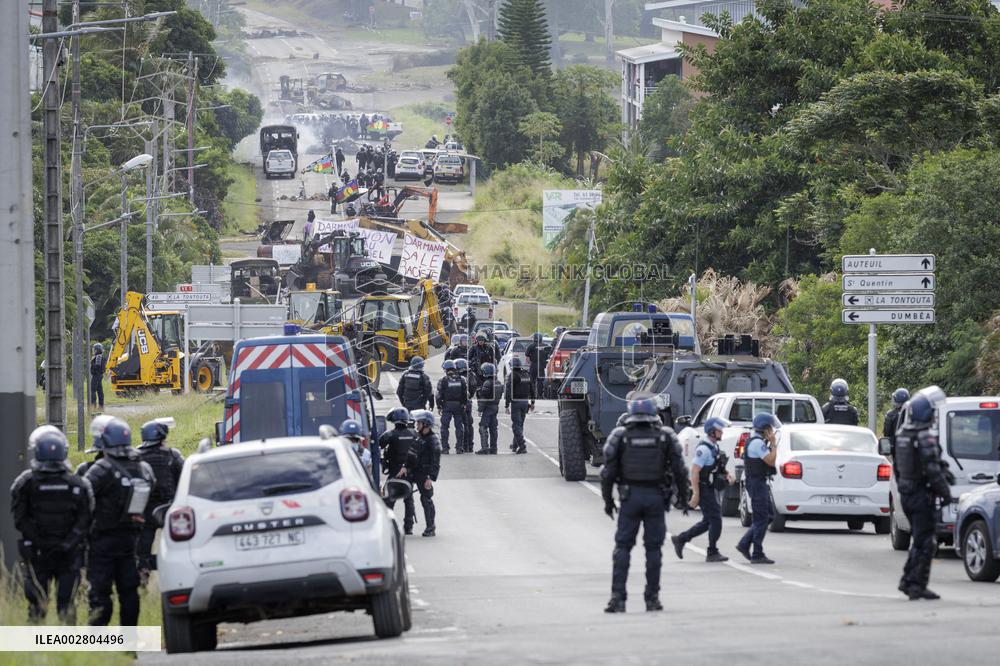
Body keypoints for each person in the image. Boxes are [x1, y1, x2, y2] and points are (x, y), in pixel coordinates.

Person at [600, 399, 689, 613]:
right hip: (656, 498)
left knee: (622, 548)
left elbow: (607, 473)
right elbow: (680, 470)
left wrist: (608, 501)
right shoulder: (665, 436)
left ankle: (617, 599)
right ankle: (652, 599)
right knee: (653, 549)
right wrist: (683, 498)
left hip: (630, 498)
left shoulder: (620, 436)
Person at [10, 426, 93, 623]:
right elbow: (85, 520)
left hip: (38, 553)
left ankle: (36, 642)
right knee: (67, 605)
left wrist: (40, 542)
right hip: (68, 554)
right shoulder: (78, 483)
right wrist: (67, 544)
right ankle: (67, 642)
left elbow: (20, 519)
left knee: (36, 606)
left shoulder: (25, 482)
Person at [84, 418, 156, 626]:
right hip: (131, 540)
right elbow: (151, 490)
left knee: (100, 592)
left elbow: (84, 494)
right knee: (129, 591)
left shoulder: (101, 468)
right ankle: (129, 640)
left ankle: (98, 640)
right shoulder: (143, 468)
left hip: (102, 542)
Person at [893, 386, 952, 600]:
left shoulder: (902, 435)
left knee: (919, 541)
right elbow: (933, 470)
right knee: (926, 543)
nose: (935, 416)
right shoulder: (924, 436)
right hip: (921, 494)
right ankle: (916, 585)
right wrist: (945, 493)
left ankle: (908, 581)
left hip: (907, 493)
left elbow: (897, 468)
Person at [671, 417, 734, 562]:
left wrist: (727, 474)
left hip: (710, 488)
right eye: (719, 430)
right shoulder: (703, 449)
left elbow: (717, 466)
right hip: (704, 488)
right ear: (712, 432)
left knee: (708, 521)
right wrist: (696, 494)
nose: (721, 432)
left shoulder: (714, 446)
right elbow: (695, 471)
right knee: (715, 520)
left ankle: (681, 539)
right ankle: (712, 552)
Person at [135, 420, 184, 583]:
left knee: (142, 551)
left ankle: (143, 577)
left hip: (144, 511)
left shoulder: (136, 458)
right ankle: (177, 577)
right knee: (176, 547)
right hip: (169, 509)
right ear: (162, 437)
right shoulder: (173, 455)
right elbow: (184, 479)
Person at [735, 413, 780, 565]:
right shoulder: (757, 443)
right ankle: (757, 553)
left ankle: (744, 543)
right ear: (765, 429)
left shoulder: (756, 441)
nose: (772, 431)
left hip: (759, 482)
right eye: (770, 428)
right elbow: (771, 461)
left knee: (768, 515)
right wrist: (773, 444)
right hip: (756, 483)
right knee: (761, 518)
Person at [379, 408, 418, 534]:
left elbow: (378, 445)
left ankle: (388, 525)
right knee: (409, 499)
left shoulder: (390, 434)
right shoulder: (414, 433)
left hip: (395, 470)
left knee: (389, 498)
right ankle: (408, 526)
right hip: (409, 471)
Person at [404, 410, 441, 537]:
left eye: (419, 422)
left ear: (426, 424)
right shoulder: (418, 436)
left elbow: (435, 461)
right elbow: (411, 454)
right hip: (414, 471)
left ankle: (431, 527)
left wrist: (430, 477)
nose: (416, 425)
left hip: (424, 474)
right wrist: (405, 467)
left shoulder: (433, 440)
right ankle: (408, 526)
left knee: (426, 499)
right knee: (407, 495)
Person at [436, 360, 467, 455]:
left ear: (445, 369)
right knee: (459, 427)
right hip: (458, 406)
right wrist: (464, 404)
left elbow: (438, 395)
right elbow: (465, 394)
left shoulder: (443, 380)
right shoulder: (461, 379)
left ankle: (445, 448)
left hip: (447, 406)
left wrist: (439, 406)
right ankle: (459, 448)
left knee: (444, 427)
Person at [504, 356, 534, 454]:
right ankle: (515, 444)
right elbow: (532, 389)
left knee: (516, 426)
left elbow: (508, 391)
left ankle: (522, 446)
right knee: (520, 425)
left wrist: (506, 405)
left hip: (516, 403)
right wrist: (532, 403)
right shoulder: (526, 374)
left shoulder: (512, 375)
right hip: (525, 402)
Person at [475, 362, 503, 455]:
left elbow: (484, 397)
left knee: (483, 427)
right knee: (493, 428)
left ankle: (485, 448)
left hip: (488, 407)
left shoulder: (487, 383)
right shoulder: (498, 382)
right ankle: (494, 448)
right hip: (495, 407)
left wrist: (480, 409)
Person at [455, 358, 476, 453]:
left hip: (461, 402)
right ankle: (469, 445)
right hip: (468, 402)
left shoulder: (459, 377)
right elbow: (473, 387)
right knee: (469, 424)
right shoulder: (471, 375)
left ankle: (463, 445)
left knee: (461, 424)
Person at [524, 332, 552, 398]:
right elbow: (549, 356)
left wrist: (529, 364)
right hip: (541, 366)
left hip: (533, 365)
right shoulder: (546, 346)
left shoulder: (531, 346)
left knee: (532, 380)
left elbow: (527, 358)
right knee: (540, 381)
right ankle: (540, 395)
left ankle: (531, 395)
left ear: (534, 338)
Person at [884, 387, 910, 453]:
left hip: (896, 447)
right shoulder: (913, 412)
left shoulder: (890, 414)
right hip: (911, 446)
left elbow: (887, 433)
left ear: (896, 400)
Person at [89, 343, 105, 409]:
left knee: (93, 390)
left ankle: (93, 405)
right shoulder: (99, 356)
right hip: (99, 375)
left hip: (96, 375)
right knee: (100, 391)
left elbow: (97, 366)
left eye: (95, 350)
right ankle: (101, 406)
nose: (93, 351)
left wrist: (92, 364)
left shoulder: (98, 357)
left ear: (98, 350)